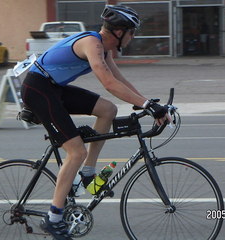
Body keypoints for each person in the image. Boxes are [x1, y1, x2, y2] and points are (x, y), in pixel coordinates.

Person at [21, 5, 169, 240]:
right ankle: (53, 217)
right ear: (120, 32)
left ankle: (87, 174)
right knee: (75, 152)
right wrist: (147, 106)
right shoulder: (92, 44)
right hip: (37, 89)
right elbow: (108, 84)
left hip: (53, 88)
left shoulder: (105, 50)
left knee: (108, 109)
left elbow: (120, 80)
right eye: (132, 32)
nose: (133, 37)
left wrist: (148, 102)